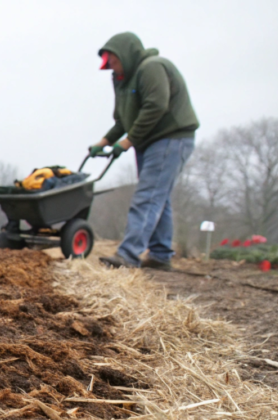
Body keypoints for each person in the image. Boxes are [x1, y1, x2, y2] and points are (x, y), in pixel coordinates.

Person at [90, 32, 199, 269]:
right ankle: (160, 255)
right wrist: (105, 141)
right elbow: (123, 119)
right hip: (148, 141)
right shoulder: (123, 80)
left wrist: (127, 142)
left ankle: (128, 254)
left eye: (114, 62)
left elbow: (156, 106)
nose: (112, 69)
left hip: (170, 138)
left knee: (148, 196)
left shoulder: (152, 68)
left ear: (125, 55)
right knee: (158, 197)